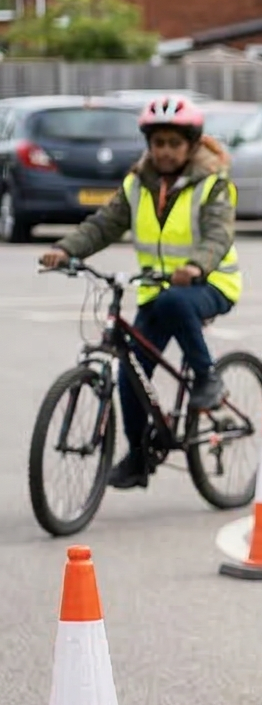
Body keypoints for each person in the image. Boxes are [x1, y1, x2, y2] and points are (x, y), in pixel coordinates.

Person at [41, 93, 242, 489]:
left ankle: (206, 378)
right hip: (157, 291)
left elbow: (219, 233)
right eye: (158, 143)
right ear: (149, 145)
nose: (165, 152)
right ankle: (138, 454)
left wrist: (197, 265)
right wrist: (65, 249)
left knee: (175, 302)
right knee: (128, 374)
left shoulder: (212, 183)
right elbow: (104, 225)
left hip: (210, 283)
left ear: (191, 144)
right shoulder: (137, 183)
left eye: (174, 144)